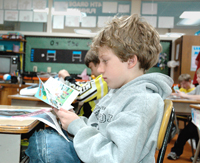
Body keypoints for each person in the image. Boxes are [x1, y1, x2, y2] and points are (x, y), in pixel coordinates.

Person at [25, 14, 173, 163]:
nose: (100, 69)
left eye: (105, 61)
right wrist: (73, 120)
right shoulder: (115, 91)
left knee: (44, 144)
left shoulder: (143, 101)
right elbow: (97, 129)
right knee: (45, 137)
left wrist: (76, 126)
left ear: (131, 60)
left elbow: (116, 158)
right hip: (92, 155)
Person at [59, 49, 108, 118]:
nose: (92, 73)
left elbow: (78, 94)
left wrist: (66, 77)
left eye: (91, 68)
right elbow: (85, 86)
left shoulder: (104, 80)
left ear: (98, 63)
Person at [167, 68, 200, 161]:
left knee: (190, 133)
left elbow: (189, 96)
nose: (197, 79)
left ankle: (197, 156)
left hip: (198, 120)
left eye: (199, 77)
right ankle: (175, 152)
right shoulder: (198, 88)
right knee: (185, 133)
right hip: (196, 118)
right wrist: (176, 94)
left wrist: (186, 95)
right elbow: (188, 95)